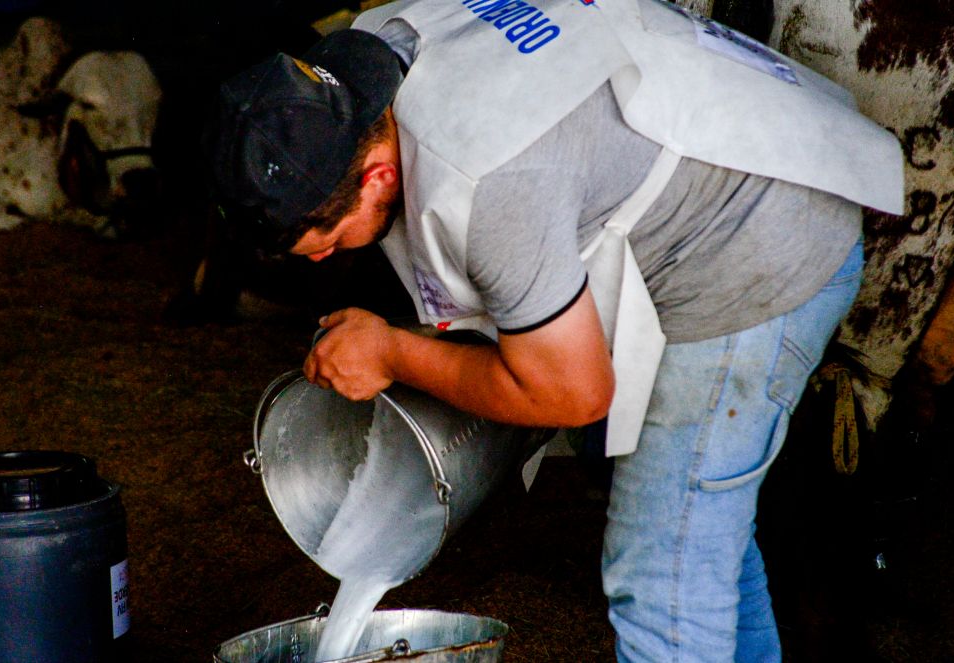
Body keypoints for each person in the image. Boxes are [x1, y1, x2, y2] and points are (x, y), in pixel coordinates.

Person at [202, 0, 904, 660]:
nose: (325, 256)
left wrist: (391, 351)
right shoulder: (370, 59)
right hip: (720, 142)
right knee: (697, 530)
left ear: (379, 173)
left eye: (325, 238)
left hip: (761, 234)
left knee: (660, 562)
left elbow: (572, 393)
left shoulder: (484, 176)